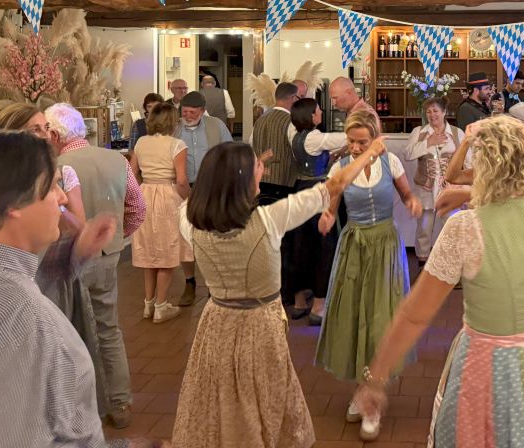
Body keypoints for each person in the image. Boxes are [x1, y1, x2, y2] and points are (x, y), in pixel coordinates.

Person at [350, 116, 524, 447]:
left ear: (485, 168)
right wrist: (471, 194)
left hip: (486, 363)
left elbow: (414, 315)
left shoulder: (466, 228)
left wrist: (377, 377)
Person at [0, 131, 165, 448]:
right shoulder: (22, 321)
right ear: (14, 203)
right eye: (52, 186)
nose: (63, 198)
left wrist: (73, 254)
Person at [171, 139, 384, 448]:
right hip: (259, 326)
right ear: (243, 181)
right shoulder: (270, 220)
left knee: (217, 394)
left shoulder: (190, 221)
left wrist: (237, 170)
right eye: (257, 167)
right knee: (262, 396)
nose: (262, 169)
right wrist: (369, 153)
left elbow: (195, 198)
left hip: (215, 322)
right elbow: (333, 185)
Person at [0, 103, 107, 417]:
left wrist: (79, 247)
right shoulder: (5, 186)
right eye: (34, 129)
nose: (45, 136)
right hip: (30, 283)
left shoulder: (51, 171)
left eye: (46, 128)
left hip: (52, 282)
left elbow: (65, 230)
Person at [315, 110, 422, 441]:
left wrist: (413, 203)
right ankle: (361, 389)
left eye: (362, 141)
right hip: (354, 247)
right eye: (351, 141)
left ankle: (371, 399)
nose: (356, 147)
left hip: (386, 246)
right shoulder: (340, 168)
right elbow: (331, 207)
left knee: (379, 319)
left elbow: (407, 195)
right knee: (353, 317)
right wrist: (327, 217)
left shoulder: (391, 162)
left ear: (375, 139)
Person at [47, 102, 146, 430]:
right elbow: (137, 207)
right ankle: (120, 403)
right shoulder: (116, 159)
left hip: (65, 258)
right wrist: (115, 238)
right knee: (108, 327)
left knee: (68, 330)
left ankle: (77, 409)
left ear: (55, 134)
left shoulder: (54, 167)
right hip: (107, 254)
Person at [289, 96, 348, 323]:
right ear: (311, 116)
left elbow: (315, 156)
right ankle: (319, 306)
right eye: (318, 110)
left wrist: (332, 156)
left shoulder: (295, 135)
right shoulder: (314, 137)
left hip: (300, 190)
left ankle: (299, 301)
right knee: (323, 246)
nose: (321, 112)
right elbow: (346, 136)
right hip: (317, 193)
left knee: (300, 245)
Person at [130, 102, 189, 323]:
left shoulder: (141, 142)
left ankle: (148, 303)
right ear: (173, 121)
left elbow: (132, 173)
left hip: (146, 193)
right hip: (167, 195)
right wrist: (188, 198)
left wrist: (143, 187)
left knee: (149, 252)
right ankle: (161, 306)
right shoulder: (177, 144)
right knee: (167, 253)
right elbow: (181, 180)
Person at [174, 90, 230, 306]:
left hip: (211, 187)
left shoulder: (216, 126)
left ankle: (213, 285)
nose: (187, 116)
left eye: (192, 112)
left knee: (212, 237)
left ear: (203, 111)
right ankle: (189, 282)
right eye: (184, 112)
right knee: (185, 237)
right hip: (183, 187)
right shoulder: (175, 128)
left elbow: (227, 151)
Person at [404, 97, 465, 267]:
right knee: (424, 228)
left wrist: (465, 186)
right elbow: (407, 155)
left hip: (450, 189)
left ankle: (451, 265)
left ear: (444, 112)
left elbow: (468, 161)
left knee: (451, 227)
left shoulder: (457, 133)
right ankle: (422, 263)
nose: (432, 115)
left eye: (435, 111)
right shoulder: (419, 132)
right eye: (428, 111)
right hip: (426, 188)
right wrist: (428, 142)